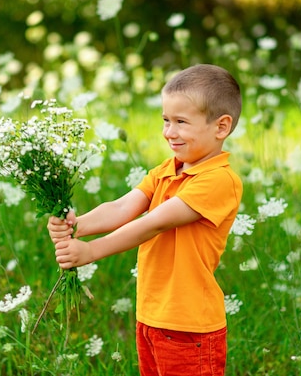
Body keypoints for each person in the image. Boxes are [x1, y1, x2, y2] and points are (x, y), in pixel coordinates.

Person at [48, 64, 243, 376]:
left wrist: (91, 251)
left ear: (221, 127)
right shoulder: (168, 169)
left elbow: (154, 222)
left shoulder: (219, 181)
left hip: (190, 327)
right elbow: (123, 206)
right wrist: (77, 225)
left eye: (181, 122)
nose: (169, 132)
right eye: (166, 120)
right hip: (151, 317)